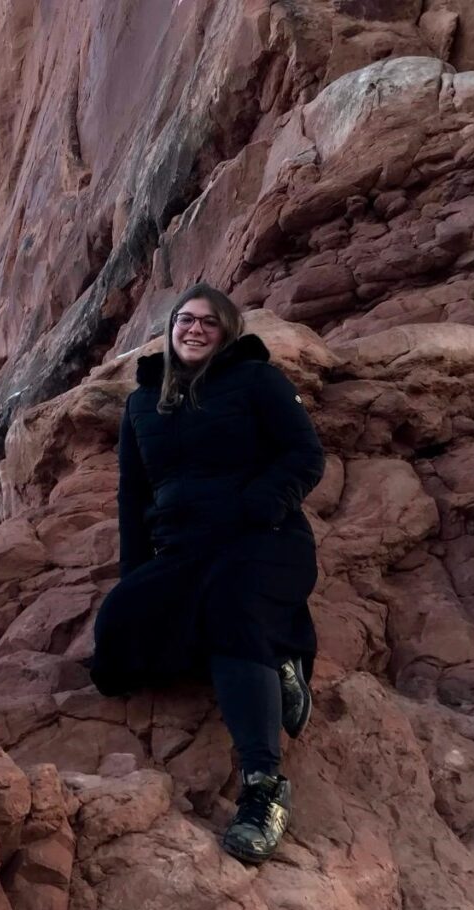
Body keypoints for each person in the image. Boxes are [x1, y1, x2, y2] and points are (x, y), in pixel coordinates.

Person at [91, 282, 325, 864]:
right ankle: (278, 654)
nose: (194, 329)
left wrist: (257, 507)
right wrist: (135, 577)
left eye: (208, 322)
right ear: (170, 329)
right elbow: (132, 495)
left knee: (231, 613)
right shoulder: (141, 402)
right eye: (184, 320)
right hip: (182, 550)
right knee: (118, 639)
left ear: (227, 333)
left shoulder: (255, 381)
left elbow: (304, 455)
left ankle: (263, 787)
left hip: (261, 538)